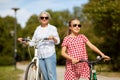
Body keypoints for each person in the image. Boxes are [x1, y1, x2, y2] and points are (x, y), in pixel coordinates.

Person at [18, 11, 60, 80]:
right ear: (39, 19)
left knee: (51, 75)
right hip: (40, 56)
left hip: (50, 54)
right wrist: (23, 41)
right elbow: (33, 42)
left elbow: (58, 41)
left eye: (46, 18)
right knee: (45, 76)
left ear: (48, 19)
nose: (44, 19)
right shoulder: (37, 29)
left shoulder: (53, 28)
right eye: (42, 17)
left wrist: (53, 38)